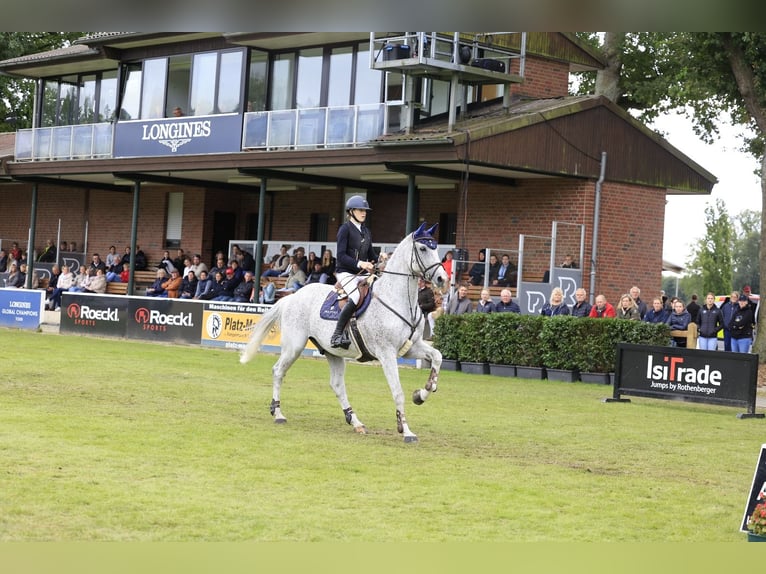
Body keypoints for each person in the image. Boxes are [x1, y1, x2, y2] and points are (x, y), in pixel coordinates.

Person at [331, 195, 380, 349]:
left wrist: (382, 258)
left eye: (365, 210)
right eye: (360, 210)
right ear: (351, 211)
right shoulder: (344, 229)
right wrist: (360, 263)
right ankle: (337, 334)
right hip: (346, 272)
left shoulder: (366, 231)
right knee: (356, 295)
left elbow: (371, 255)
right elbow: (341, 256)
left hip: (363, 273)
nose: (364, 213)